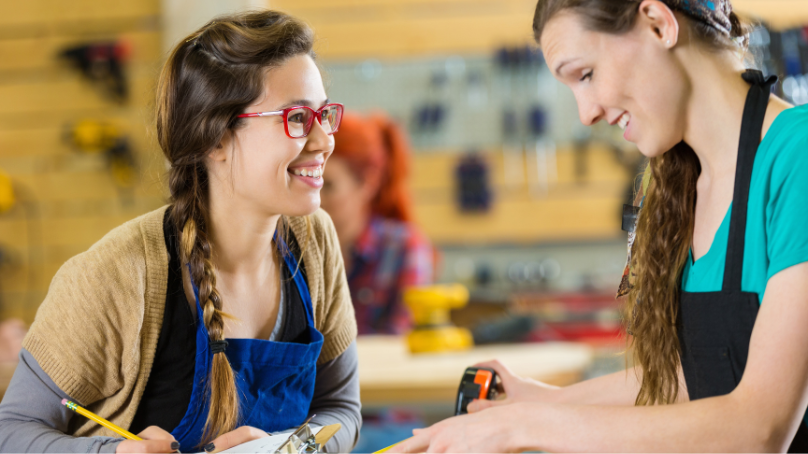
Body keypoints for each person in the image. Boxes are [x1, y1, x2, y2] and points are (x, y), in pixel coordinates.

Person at [391, 0, 808, 452]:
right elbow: (709, 371)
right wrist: (545, 401)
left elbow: (758, 429)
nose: (586, 114)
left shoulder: (797, 157)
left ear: (658, 25)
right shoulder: (686, 184)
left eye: (585, 74)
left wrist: (524, 426)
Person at [0, 11, 360, 454]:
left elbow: (340, 407)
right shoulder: (112, 277)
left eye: (325, 114)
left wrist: (287, 449)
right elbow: (10, 431)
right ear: (216, 138)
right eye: (299, 117)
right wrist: (113, 453)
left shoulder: (314, 241)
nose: (325, 140)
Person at [320, 112, 433, 335]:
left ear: (367, 183)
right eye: (311, 181)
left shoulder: (405, 249)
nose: (316, 199)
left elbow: (401, 339)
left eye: (329, 186)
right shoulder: (295, 250)